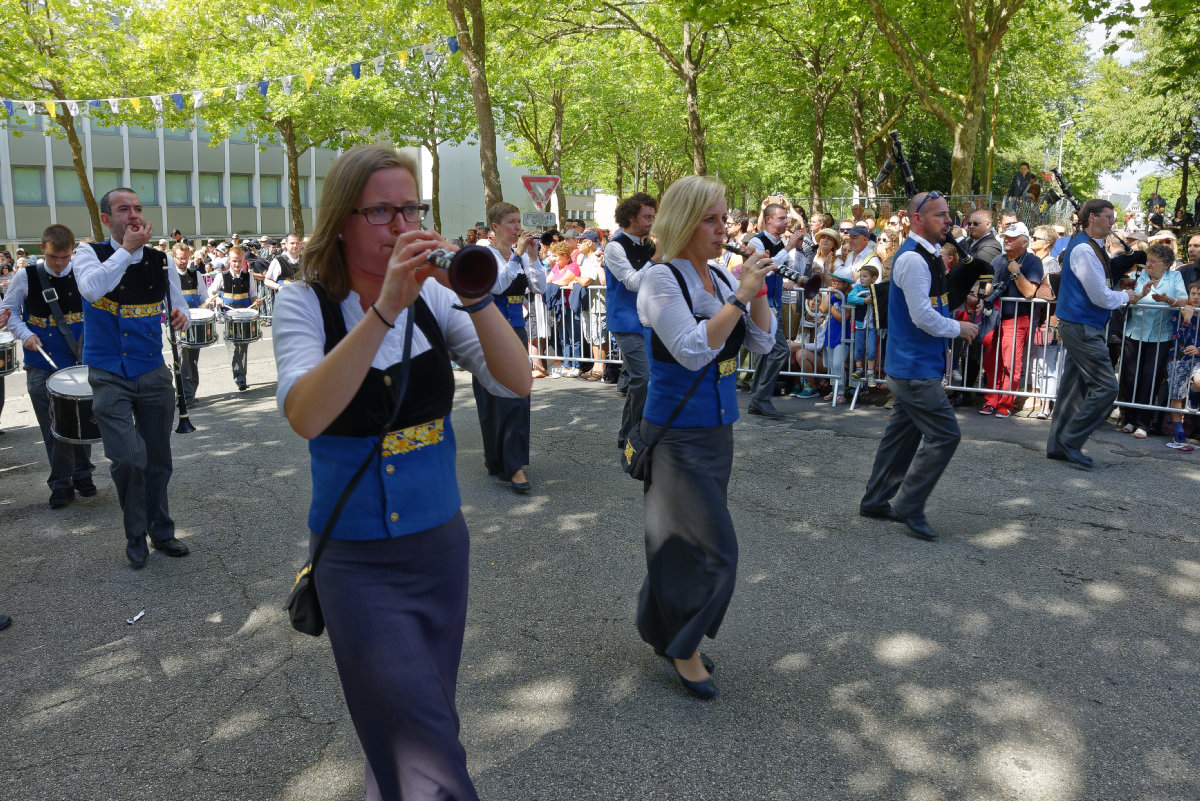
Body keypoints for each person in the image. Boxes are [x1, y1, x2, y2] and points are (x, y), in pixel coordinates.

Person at [272, 145, 530, 801]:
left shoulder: (435, 302)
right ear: (341, 221)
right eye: (382, 210)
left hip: (438, 548)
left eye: (410, 208)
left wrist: (472, 295)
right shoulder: (303, 304)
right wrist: (383, 307)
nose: (402, 225)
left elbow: (517, 378)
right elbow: (305, 413)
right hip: (356, 562)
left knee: (420, 721)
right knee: (429, 753)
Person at [634, 175, 775, 699]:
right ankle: (683, 647)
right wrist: (739, 295)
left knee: (678, 544)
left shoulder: (719, 275)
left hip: (718, 430)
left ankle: (660, 628)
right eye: (712, 220)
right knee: (716, 551)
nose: (724, 229)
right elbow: (694, 349)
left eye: (724, 219)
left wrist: (754, 289)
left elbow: (762, 343)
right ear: (685, 222)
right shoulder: (660, 280)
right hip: (675, 434)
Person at [72, 188, 191, 568]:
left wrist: (181, 314)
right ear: (107, 219)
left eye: (138, 208)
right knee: (128, 458)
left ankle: (162, 531)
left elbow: (179, 301)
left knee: (157, 458)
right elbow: (92, 290)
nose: (134, 215)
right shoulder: (88, 253)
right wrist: (126, 250)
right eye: (124, 209)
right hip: (108, 374)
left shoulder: (160, 260)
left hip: (152, 371)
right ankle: (135, 533)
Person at [860, 192, 980, 541]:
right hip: (913, 369)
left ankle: (875, 499)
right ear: (917, 219)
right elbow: (921, 316)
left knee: (901, 437)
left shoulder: (927, 256)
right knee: (945, 434)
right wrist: (961, 327)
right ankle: (911, 503)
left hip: (912, 364)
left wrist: (962, 301)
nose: (949, 221)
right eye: (940, 215)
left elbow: (933, 303)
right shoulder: (913, 259)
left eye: (947, 215)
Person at [0, 224, 97, 508]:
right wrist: (25, 334)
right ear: (42, 249)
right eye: (54, 257)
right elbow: (8, 311)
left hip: (78, 361)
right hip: (40, 362)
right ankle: (60, 484)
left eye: (65, 257)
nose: (59, 263)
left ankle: (82, 475)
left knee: (81, 420)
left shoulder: (82, 273)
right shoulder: (26, 275)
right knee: (52, 426)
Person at [1046, 199, 1139, 469]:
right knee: (1107, 387)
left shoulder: (1090, 246)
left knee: (1073, 388)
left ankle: (1058, 446)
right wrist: (1125, 296)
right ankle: (1071, 441)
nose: (1113, 223)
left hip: (1082, 324)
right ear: (1092, 218)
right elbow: (1098, 296)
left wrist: (1119, 286)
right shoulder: (1085, 249)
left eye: (1113, 218)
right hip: (1083, 325)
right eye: (1109, 217)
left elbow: (1097, 286)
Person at [475, 201, 545, 493]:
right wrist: (517, 255)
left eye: (519, 221)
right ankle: (496, 457)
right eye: (512, 222)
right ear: (495, 227)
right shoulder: (484, 255)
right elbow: (497, 287)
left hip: (515, 329)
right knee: (490, 394)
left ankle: (514, 464)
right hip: (489, 330)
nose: (518, 227)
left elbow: (539, 287)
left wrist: (534, 257)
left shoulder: (523, 257)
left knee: (517, 393)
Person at [604, 192, 658, 450]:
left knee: (646, 379)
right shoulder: (614, 247)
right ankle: (631, 434)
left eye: (652, 215)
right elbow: (633, 282)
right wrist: (657, 259)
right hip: (625, 321)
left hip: (650, 319)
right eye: (647, 216)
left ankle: (630, 432)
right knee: (643, 377)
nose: (652, 220)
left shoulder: (648, 245)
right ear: (630, 217)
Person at [1117, 242, 1188, 438]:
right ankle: (1129, 419)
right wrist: (1141, 295)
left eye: (1153, 262)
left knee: (1151, 377)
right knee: (1131, 376)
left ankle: (1143, 423)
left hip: (1160, 336)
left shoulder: (1175, 277)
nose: (1148, 265)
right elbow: (1124, 298)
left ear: (1166, 264)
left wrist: (1167, 300)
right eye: (1147, 260)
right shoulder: (1137, 276)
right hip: (1134, 332)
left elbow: (1184, 301)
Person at [746, 202, 806, 417]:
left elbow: (796, 271)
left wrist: (797, 249)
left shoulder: (781, 243)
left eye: (786, 219)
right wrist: (788, 247)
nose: (785, 223)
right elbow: (764, 269)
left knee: (767, 350)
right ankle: (761, 398)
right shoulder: (756, 241)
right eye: (781, 218)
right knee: (780, 350)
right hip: (762, 305)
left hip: (776, 304)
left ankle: (757, 397)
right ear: (768, 219)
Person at [979, 222, 1044, 418]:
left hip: (1017, 318)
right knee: (991, 361)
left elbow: (1029, 292)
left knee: (1010, 363)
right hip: (993, 317)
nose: (1007, 240)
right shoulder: (998, 260)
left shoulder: (1033, 262)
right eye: (1006, 236)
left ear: (1024, 242)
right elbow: (987, 288)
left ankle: (1006, 403)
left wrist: (1016, 272)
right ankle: (991, 400)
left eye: (1012, 237)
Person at [210, 246, 262, 391]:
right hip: (229, 317)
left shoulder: (248, 276)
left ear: (242, 261)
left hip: (245, 316)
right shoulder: (222, 276)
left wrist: (257, 300)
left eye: (239, 261)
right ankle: (240, 378)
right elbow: (210, 292)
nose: (236, 264)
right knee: (233, 346)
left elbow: (253, 294)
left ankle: (242, 376)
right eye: (234, 261)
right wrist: (217, 299)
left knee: (243, 347)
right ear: (229, 260)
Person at [1164, 280, 1200, 450]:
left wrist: (1199, 350)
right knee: (1176, 395)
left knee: (1199, 382)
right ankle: (1178, 433)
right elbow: (1178, 340)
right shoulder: (1181, 312)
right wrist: (1187, 320)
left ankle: (1193, 397)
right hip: (1178, 358)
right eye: (1193, 293)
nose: (1196, 297)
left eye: (1199, 294)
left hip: (1198, 360)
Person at [173, 242, 209, 406]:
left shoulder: (196, 275)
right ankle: (185, 394)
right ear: (174, 258)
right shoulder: (169, 276)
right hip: (177, 322)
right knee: (183, 359)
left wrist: (208, 303)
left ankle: (191, 392)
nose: (184, 261)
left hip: (195, 322)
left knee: (193, 359)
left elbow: (202, 296)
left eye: (186, 258)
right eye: (181, 258)